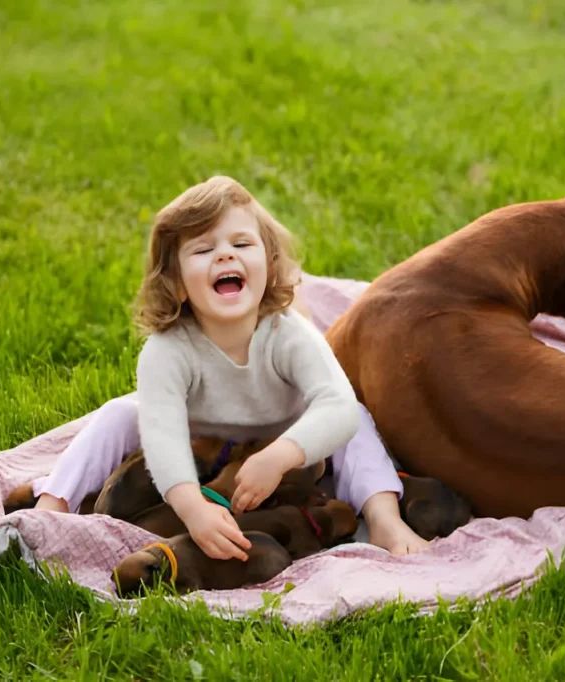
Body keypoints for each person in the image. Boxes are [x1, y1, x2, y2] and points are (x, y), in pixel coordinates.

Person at [32, 176, 429, 557]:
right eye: (203, 250)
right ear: (177, 282)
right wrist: (193, 510)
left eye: (242, 243)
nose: (225, 254)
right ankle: (50, 508)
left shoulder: (287, 331)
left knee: (353, 418)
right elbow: (164, 438)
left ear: (270, 266)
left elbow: (337, 406)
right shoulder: (167, 349)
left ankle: (384, 519)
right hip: (197, 436)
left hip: (284, 439)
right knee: (118, 414)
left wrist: (279, 456)